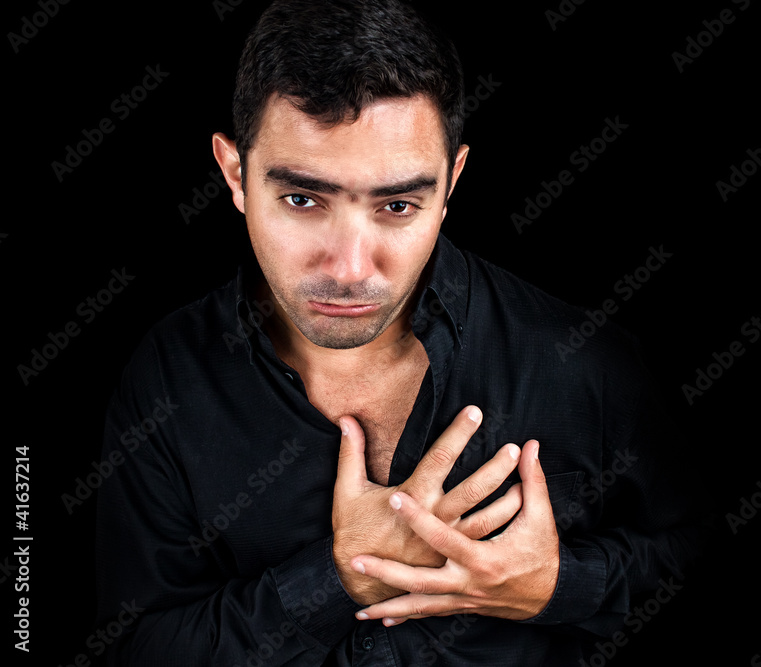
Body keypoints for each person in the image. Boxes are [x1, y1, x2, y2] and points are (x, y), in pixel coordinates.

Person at [94, 0, 710, 664]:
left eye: (397, 205)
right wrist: (336, 578)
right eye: (303, 199)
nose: (350, 268)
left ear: (453, 183)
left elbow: (709, 566)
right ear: (236, 174)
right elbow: (134, 648)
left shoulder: (585, 361)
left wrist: (558, 586)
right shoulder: (169, 376)